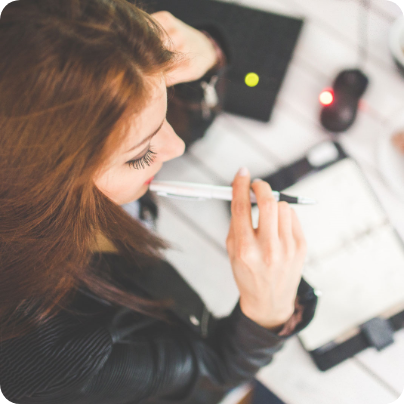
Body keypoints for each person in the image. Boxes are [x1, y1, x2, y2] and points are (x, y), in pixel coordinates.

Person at [0, 1, 318, 403]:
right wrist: (266, 312)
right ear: (48, 185)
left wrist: (207, 51)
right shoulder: (57, 353)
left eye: (162, 100)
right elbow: (213, 378)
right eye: (140, 155)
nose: (177, 146)